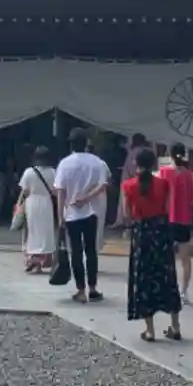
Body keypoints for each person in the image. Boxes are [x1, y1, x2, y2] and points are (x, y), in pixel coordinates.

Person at [121, 147, 183, 342]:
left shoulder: (128, 185)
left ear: (135, 164)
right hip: (161, 231)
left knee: (144, 278)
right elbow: (167, 208)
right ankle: (175, 325)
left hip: (142, 233)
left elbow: (126, 214)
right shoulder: (163, 184)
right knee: (167, 276)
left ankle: (150, 330)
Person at [54, 126, 110, 303]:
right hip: (92, 212)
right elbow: (103, 185)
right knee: (91, 250)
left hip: (71, 214)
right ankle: (93, 288)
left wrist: (60, 216)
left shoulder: (64, 164)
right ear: (86, 143)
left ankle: (81, 290)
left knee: (76, 251)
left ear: (71, 144)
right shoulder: (96, 162)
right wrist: (87, 198)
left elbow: (60, 192)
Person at [159, 142, 193, 303]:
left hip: (166, 219)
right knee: (185, 259)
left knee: (165, 257)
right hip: (184, 219)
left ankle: (166, 289)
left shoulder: (163, 172)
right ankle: (184, 292)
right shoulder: (190, 175)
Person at [16, 145, 58, 274]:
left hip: (32, 203)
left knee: (31, 231)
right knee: (45, 232)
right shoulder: (52, 172)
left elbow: (25, 191)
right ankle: (43, 261)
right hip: (46, 203)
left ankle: (32, 259)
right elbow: (55, 191)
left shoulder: (29, 172)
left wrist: (18, 204)